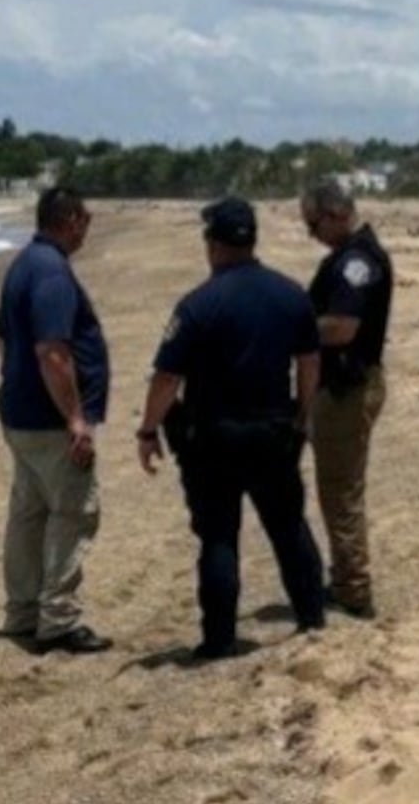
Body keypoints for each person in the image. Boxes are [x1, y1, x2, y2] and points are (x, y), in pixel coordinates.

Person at [135, 198, 328, 664]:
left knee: (219, 537)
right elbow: (309, 363)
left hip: (213, 437)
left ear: (214, 245)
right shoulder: (290, 295)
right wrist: (304, 414)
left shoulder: (199, 305)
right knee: (287, 526)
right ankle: (311, 616)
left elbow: (166, 379)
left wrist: (148, 430)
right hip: (272, 430)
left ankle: (219, 640)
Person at [0, 186, 111, 656]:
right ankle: (58, 618)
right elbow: (54, 352)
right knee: (72, 512)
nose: (88, 228)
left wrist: (18, 376)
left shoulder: (24, 263)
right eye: (86, 219)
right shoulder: (51, 273)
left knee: (29, 512)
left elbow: (2, 335)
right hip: (47, 420)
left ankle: (22, 611)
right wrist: (76, 418)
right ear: (71, 220)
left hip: (21, 412)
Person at [298, 177, 394, 621]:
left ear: (336, 214)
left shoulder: (356, 262)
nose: (311, 233)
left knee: (340, 491)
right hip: (344, 386)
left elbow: (342, 327)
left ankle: (353, 587)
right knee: (338, 488)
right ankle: (345, 578)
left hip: (348, 388)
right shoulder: (351, 256)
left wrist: (292, 329)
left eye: (313, 223)